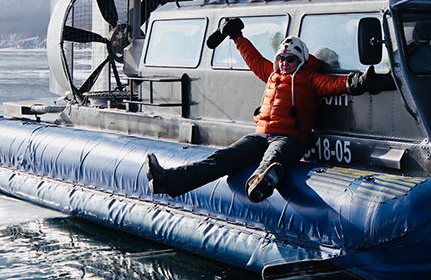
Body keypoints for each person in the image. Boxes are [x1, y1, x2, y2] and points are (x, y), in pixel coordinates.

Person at [146, 17, 392, 203]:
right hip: (261, 134)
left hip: (290, 138)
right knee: (223, 159)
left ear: (302, 60)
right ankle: (167, 181)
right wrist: (237, 37)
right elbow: (253, 58)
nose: (285, 63)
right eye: (282, 59)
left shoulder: (309, 80)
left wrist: (358, 82)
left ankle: (260, 184)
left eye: (291, 59)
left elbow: (335, 84)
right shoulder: (272, 74)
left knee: (274, 158)